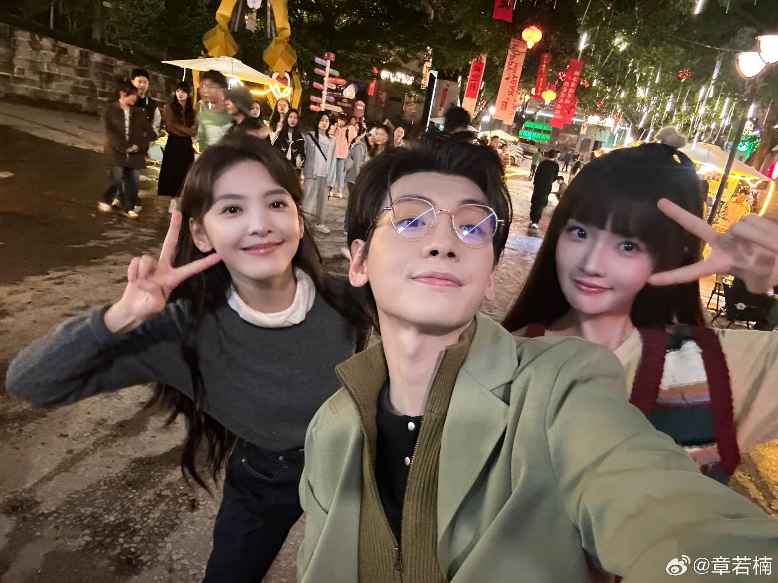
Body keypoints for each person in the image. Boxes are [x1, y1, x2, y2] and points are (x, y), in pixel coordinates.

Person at [297, 135, 778, 583]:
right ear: (358, 261)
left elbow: (675, 522)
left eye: (471, 227)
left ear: (491, 273)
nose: (442, 243)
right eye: (410, 220)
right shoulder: (333, 429)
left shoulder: (564, 382)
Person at [7, 136, 370, 583]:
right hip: (264, 478)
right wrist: (120, 317)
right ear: (200, 234)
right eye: (232, 209)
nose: (260, 224)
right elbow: (31, 381)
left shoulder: (346, 296)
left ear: (298, 218)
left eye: (276, 203)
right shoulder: (181, 330)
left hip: (352, 463)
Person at [503, 133, 778, 489]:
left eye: (628, 245)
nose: (591, 264)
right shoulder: (507, 359)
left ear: (669, 256)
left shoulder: (714, 365)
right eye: (580, 232)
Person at [98, 78, 154, 219]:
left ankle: (129, 207)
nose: (136, 98)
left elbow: (150, 133)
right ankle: (107, 199)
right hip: (116, 152)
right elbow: (109, 131)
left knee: (133, 182)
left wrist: (138, 145)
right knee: (116, 179)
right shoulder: (109, 110)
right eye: (133, 95)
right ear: (123, 94)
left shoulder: (139, 112)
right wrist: (124, 147)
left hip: (135, 153)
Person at [158, 82, 197, 198]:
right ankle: (173, 199)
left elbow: (194, 130)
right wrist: (186, 131)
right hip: (174, 142)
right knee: (172, 172)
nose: (180, 94)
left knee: (184, 173)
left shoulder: (193, 112)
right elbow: (169, 127)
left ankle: (181, 198)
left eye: (183, 91)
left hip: (187, 145)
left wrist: (178, 126)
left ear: (188, 94)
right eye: (178, 91)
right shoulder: (169, 107)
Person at [303, 111, 337, 234]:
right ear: (317, 121)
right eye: (322, 120)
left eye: (327, 121)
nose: (324, 123)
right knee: (308, 199)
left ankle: (319, 223)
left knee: (322, 202)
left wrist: (331, 179)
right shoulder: (309, 137)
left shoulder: (332, 140)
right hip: (312, 173)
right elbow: (304, 154)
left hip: (325, 174)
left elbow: (333, 160)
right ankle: (303, 223)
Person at [196, 70, 234, 153]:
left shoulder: (234, 114)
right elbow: (202, 145)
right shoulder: (204, 115)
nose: (205, 90)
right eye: (202, 86)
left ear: (222, 90)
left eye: (210, 87)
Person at [529, 149, 559, 229]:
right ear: (555, 156)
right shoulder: (556, 166)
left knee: (535, 202)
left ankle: (532, 218)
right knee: (541, 204)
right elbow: (555, 177)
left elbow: (537, 174)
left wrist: (535, 183)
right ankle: (535, 221)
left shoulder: (542, 163)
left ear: (547, 155)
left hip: (538, 186)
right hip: (546, 187)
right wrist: (549, 182)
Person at [273, 107, 305, 176]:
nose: (292, 120)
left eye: (295, 118)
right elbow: (273, 150)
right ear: (286, 119)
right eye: (290, 117)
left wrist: (299, 157)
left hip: (294, 170)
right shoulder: (279, 135)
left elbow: (303, 153)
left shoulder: (300, 137)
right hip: (281, 169)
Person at [131, 67, 161, 138]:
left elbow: (156, 126)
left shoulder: (152, 106)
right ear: (132, 82)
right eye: (139, 82)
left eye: (145, 82)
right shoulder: (124, 101)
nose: (142, 85)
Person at [334, 114, 355, 197]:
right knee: (332, 173)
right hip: (334, 153)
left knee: (340, 173)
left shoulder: (348, 129)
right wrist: (335, 127)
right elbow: (330, 134)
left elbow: (352, 139)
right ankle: (331, 189)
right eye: (339, 120)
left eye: (342, 120)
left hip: (343, 154)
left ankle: (340, 190)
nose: (340, 122)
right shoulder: (335, 127)